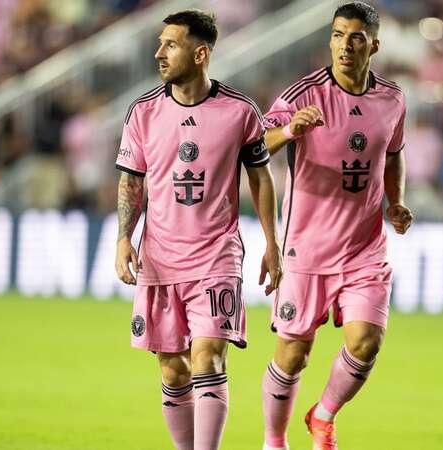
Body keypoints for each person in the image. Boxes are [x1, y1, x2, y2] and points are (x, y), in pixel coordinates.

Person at [113, 9, 283, 450]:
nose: (159, 53)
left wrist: (272, 241)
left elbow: (260, 176)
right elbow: (131, 179)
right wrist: (122, 239)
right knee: (172, 367)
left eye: (170, 44)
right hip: (160, 257)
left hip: (216, 256)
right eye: (160, 43)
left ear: (200, 53)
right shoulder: (144, 112)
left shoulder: (240, 112)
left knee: (208, 356)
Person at [259, 3, 412, 449]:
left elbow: (395, 151)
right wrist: (289, 131)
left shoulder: (392, 99)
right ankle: (274, 441)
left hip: (365, 247)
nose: (346, 44)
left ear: (374, 46)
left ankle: (323, 416)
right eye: (339, 34)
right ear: (330, 40)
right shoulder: (301, 94)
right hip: (305, 248)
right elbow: (255, 144)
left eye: (357, 36)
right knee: (293, 355)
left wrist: (397, 201)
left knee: (365, 342)